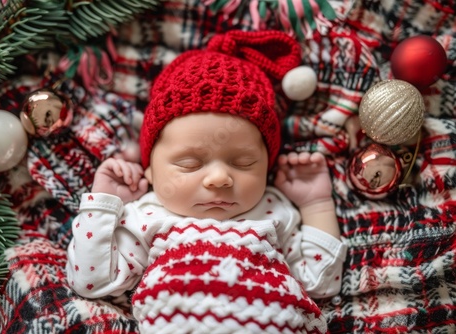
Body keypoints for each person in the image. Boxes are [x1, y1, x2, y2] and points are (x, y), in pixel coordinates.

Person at [66, 30, 347, 334]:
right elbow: (93, 282)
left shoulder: (273, 210)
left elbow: (321, 284)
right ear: (149, 171)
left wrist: (315, 203)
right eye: (190, 164)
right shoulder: (148, 214)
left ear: (267, 166)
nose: (219, 178)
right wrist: (105, 203)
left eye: (243, 163)